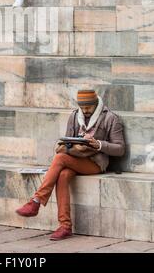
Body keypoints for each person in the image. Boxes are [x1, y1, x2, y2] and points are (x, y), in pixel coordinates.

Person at [16, 89, 125, 241]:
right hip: (75, 158)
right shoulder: (75, 115)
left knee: (60, 158)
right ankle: (65, 226)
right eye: (83, 107)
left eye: (88, 108)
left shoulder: (111, 118)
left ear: (96, 104)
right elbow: (67, 140)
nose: (85, 111)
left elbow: (120, 149)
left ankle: (36, 201)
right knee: (62, 175)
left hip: (95, 163)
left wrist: (98, 144)